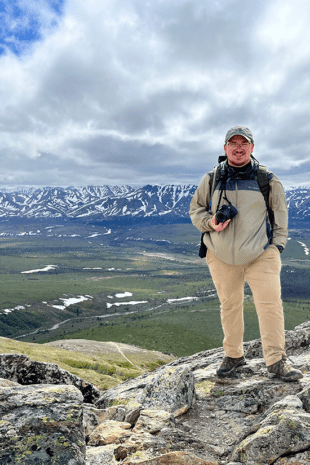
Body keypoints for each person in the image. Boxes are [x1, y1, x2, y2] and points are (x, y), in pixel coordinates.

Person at [189, 126, 303, 381]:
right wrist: (211, 223)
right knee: (229, 305)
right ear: (225, 147)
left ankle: (276, 360)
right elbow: (196, 209)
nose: (238, 147)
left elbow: (280, 215)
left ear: (252, 147)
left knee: (270, 305)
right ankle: (233, 356)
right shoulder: (212, 178)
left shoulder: (267, 180)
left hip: (261, 253)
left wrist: (277, 246)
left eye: (244, 143)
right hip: (220, 254)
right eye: (233, 143)